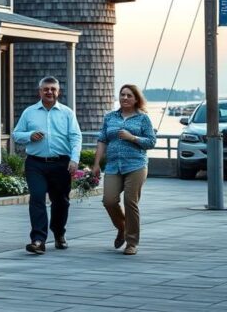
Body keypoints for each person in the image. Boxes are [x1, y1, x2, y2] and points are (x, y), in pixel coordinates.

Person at [12, 76, 82, 254]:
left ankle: (59, 233)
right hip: (36, 163)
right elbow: (16, 134)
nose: (49, 92)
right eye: (46, 89)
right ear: (40, 91)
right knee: (36, 198)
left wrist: (74, 159)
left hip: (61, 164)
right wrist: (29, 135)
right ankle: (38, 240)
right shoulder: (29, 112)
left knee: (61, 201)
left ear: (58, 92)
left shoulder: (67, 113)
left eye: (53, 89)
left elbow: (76, 137)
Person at [93, 84, 156, 255]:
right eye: (122, 95)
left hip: (136, 165)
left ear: (136, 99)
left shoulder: (143, 119)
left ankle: (132, 242)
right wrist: (96, 163)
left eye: (129, 95)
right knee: (109, 201)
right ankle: (122, 228)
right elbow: (102, 140)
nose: (125, 98)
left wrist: (132, 137)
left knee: (130, 202)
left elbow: (151, 142)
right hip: (113, 165)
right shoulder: (110, 117)